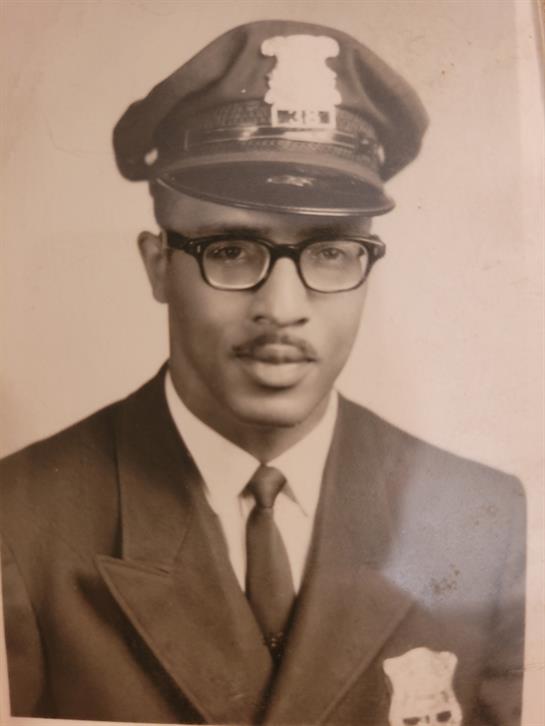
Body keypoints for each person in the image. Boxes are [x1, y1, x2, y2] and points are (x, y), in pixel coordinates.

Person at [0, 19, 525, 726]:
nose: (281, 309)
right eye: (229, 250)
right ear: (158, 267)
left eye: (330, 252)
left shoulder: (481, 520)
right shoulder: (21, 524)